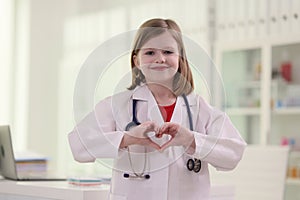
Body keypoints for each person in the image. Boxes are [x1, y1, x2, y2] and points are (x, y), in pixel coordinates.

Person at [68, 18, 247, 200]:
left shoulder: (199, 108)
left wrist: (192, 140)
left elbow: (234, 153)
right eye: (150, 52)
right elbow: (79, 145)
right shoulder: (118, 105)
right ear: (136, 60)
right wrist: (128, 138)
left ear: (180, 58)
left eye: (168, 52)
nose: (160, 59)